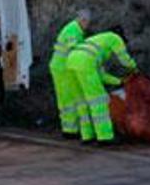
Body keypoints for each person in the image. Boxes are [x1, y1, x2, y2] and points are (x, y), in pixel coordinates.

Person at [66, 28, 138, 145]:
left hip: (70, 62)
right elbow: (123, 58)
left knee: (81, 102)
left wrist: (119, 82)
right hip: (85, 64)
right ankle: (105, 137)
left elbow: (101, 75)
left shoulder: (95, 43)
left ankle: (87, 136)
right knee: (98, 101)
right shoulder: (114, 37)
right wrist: (135, 68)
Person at [48, 9, 91, 139]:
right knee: (68, 99)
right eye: (87, 23)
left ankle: (70, 128)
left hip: (62, 67)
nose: (87, 26)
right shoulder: (73, 31)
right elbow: (74, 51)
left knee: (67, 99)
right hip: (63, 68)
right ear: (82, 20)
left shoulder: (73, 28)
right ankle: (70, 130)